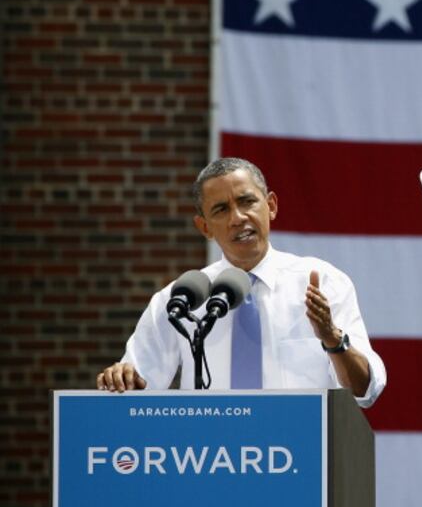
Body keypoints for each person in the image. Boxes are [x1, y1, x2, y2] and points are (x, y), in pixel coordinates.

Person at [96, 157, 386, 408]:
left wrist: (332, 339)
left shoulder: (322, 282)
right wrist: (121, 378)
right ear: (205, 227)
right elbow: (135, 388)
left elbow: (365, 391)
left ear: (271, 206)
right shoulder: (181, 299)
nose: (237, 218)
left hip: (302, 449)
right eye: (221, 210)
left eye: (247, 202)